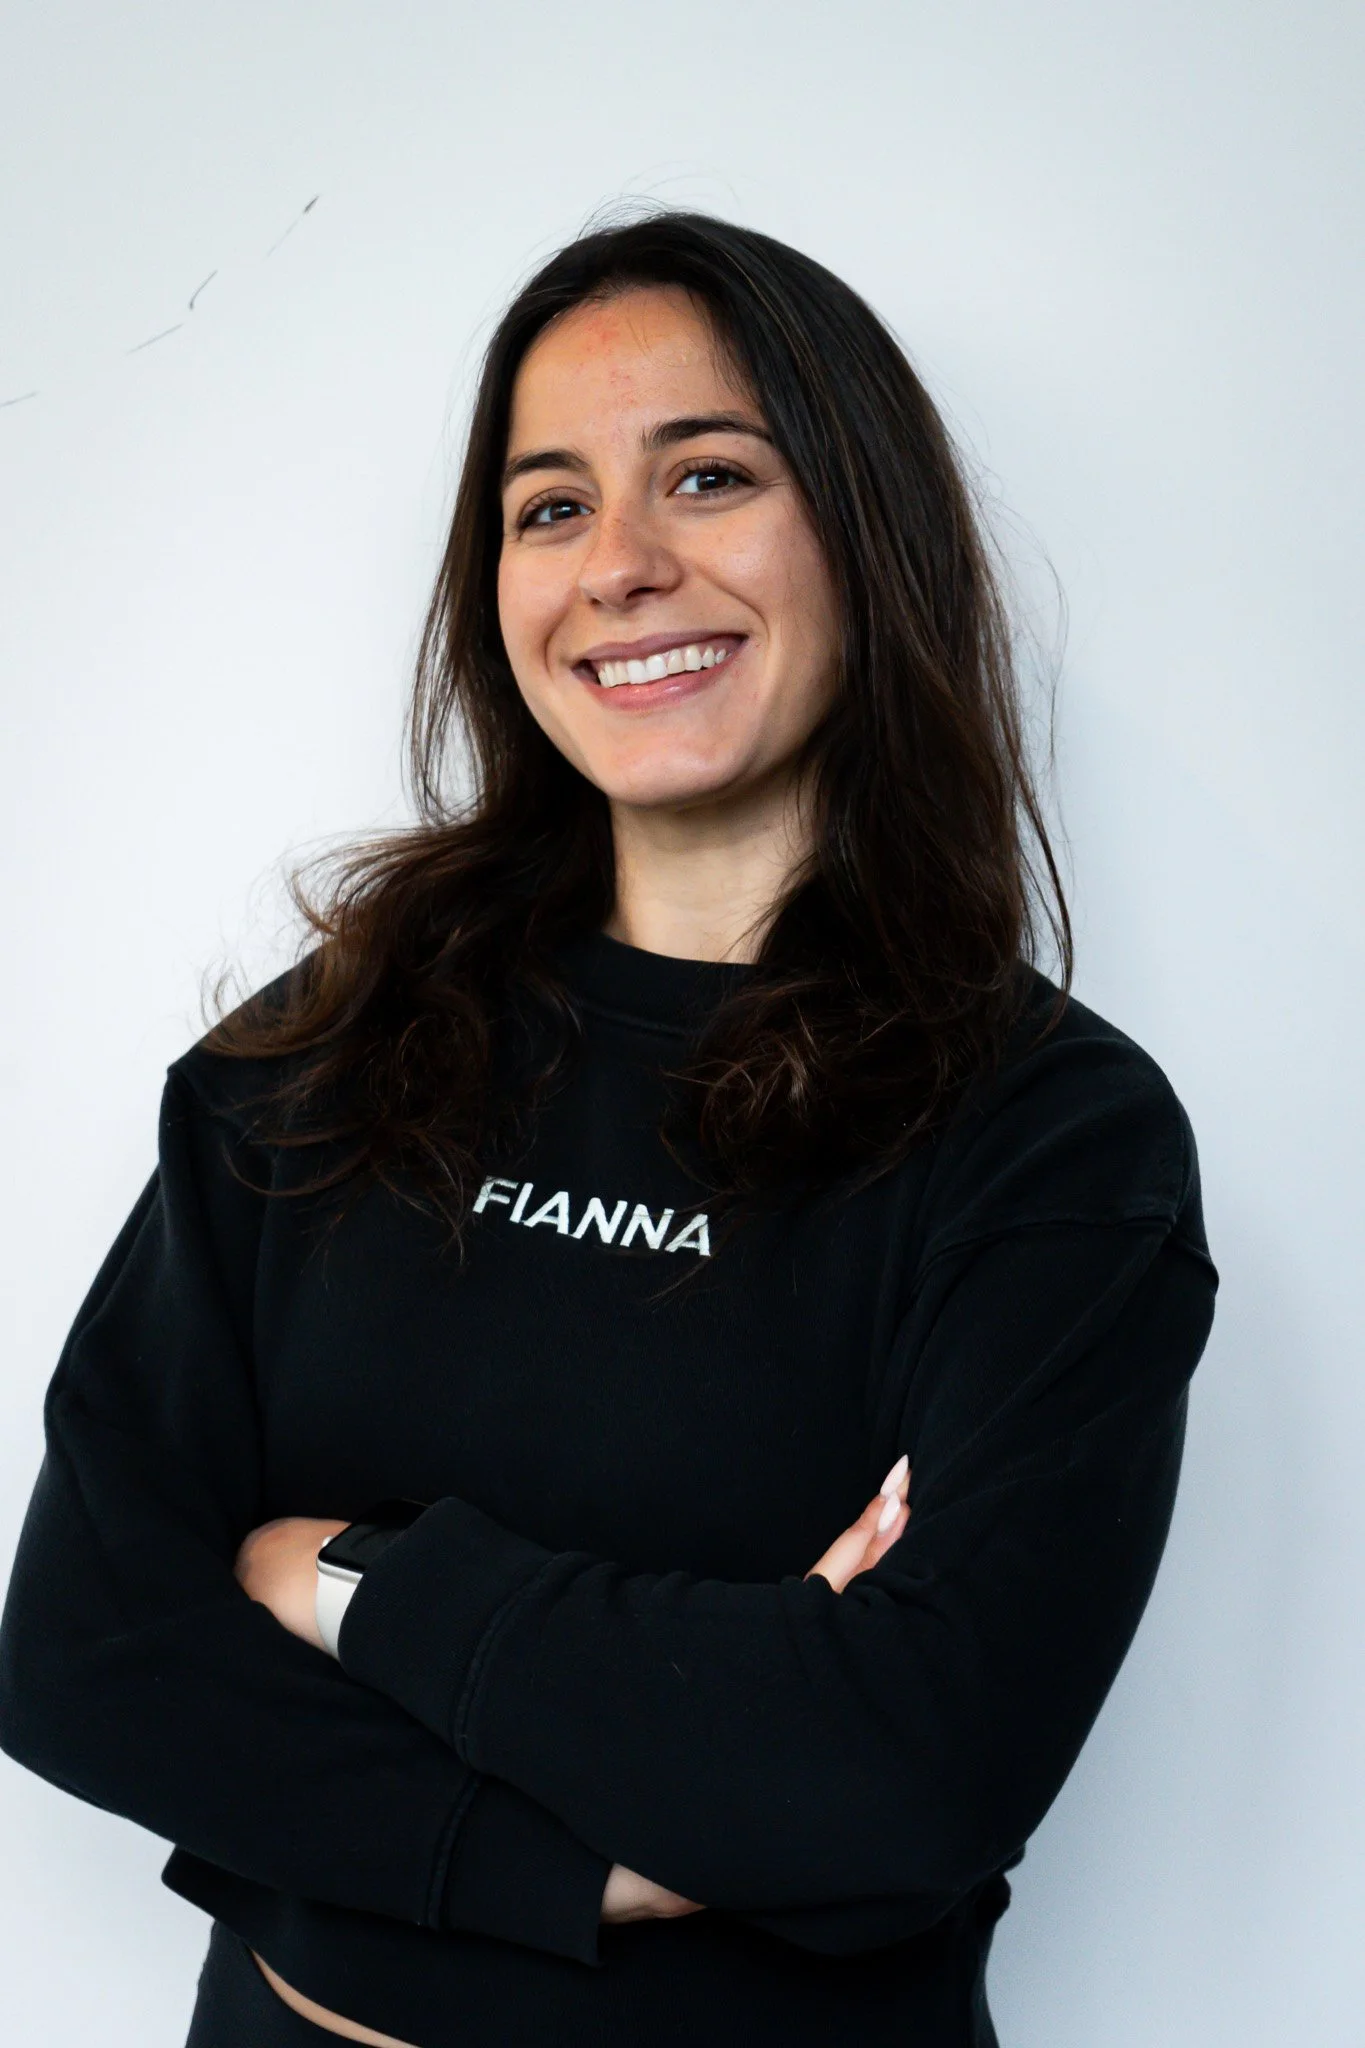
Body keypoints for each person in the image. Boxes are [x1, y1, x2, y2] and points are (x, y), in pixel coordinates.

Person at [0, 209, 1217, 2048]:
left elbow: (904, 1776)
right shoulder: (324, 1052)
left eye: (709, 476)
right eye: (550, 507)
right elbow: (86, 1652)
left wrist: (348, 1579)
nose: (623, 566)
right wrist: (592, 1863)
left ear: (867, 536)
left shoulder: (1050, 1137)